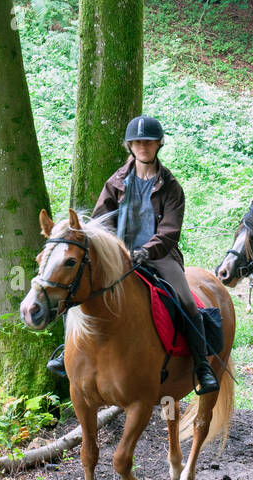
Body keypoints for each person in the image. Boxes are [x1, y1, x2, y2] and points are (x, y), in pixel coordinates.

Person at [46, 115, 219, 395]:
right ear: (130, 146)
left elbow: (169, 232)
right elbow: (101, 222)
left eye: (148, 142)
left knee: (187, 301)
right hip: (117, 255)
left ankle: (202, 365)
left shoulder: (171, 187)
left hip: (160, 257)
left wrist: (144, 252)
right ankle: (66, 352)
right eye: (138, 142)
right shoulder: (115, 182)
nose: (143, 147)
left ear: (158, 145)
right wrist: (116, 250)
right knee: (76, 292)